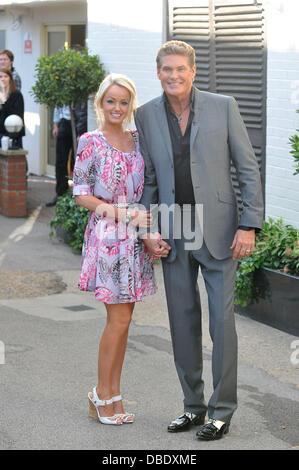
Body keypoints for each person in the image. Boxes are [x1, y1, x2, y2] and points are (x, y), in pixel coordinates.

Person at [135, 40, 264, 441]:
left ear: (193, 72)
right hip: (174, 227)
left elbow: (247, 168)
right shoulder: (146, 115)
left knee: (223, 323)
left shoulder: (223, 106)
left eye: (180, 69)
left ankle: (221, 411)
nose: (173, 76)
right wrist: (148, 230)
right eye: (166, 69)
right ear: (158, 72)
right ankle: (193, 406)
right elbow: (151, 180)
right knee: (181, 322)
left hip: (221, 229)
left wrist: (249, 225)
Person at [73, 73, 157, 425]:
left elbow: (150, 184)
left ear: (131, 105)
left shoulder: (139, 140)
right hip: (108, 236)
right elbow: (81, 193)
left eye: (124, 102)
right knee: (117, 319)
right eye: (111, 101)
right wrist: (119, 213)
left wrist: (147, 226)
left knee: (125, 322)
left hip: (135, 239)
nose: (117, 108)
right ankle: (101, 393)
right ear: (100, 104)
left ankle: (112, 394)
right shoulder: (89, 141)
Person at [0, 68, 25, 148]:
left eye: (5, 76)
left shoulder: (16, 95)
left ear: (10, 79)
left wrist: (4, 101)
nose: (2, 79)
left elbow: (16, 115)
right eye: (0, 77)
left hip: (12, 134)